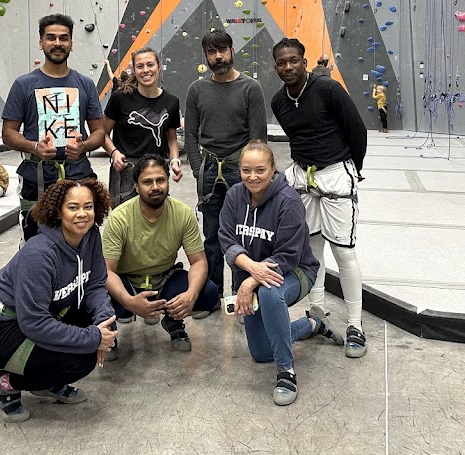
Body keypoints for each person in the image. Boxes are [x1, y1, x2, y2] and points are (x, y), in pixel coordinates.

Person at [0, 178, 117, 423]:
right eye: (73, 207)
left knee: (95, 326)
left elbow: (95, 285)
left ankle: (46, 381)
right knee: (82, 358)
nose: (82, 214)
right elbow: (34, 323)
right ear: (58, 212)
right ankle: (7, 383)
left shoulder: (90, 236)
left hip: (35, 318)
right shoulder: (39, 254)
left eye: (88, 206)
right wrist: (93, 338)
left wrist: (104, 325)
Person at [219, 141, 342, 406]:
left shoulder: (289, 201)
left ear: (273, 168)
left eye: (260, 170)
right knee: (262, 352)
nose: (253, 177)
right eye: (246, 170)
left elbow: (288, 254)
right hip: (254, 274)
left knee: (270, 292)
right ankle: (312, 324)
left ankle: (286, 371)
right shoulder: (234, 196)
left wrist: (250, 282)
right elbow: (226, 238)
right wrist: (252, 271)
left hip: (296, 271)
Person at [271, 37, 369, 358]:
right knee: (312, 250)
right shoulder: (279, 101)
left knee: (344, 252)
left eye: (293, 61)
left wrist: (352, 168)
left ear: (304, 61)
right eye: (281, 63)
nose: (288, 67)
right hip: (303, 178)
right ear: (276, 67)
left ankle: (355, 324)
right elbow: (297, 138)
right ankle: (317, 311)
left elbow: (357, 130)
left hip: (336, 174)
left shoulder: (328, 89)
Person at [2, 14, 104, 246]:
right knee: (37, 243)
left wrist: (84, 147)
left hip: (78, 174)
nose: (58, 43)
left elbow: (99, 132)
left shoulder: (85, 84)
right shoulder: (24, 85)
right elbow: (8, 133)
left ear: (71, 43)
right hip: (37, 178)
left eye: (63, 38)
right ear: (41, 43)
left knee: (83, 240)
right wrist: (34, 147)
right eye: (51, 38)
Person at [101, 155, 218, 357]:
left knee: (208, 292)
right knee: (96, 292)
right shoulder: (119, 218)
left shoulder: (182, 213)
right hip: (127, 282)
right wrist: (129, 301)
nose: (155, 187)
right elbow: (107, 271)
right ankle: (109, 334)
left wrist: (190, 295)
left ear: (168, 181)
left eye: (160, 180)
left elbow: (199, 261)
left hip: (163, 281)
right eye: (147, 182)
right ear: (136, 186)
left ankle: (173, 320)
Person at [185, 29, 267, 314]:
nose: (218, 57)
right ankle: (212, 295)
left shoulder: (250, 88)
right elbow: (190, 135)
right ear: (206, 56)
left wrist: (251, 175)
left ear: (232, 51)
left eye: (222, 50)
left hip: (240, 171)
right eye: (212, 52)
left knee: (243, 235)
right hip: (209, 171)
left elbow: (258, 139)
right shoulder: (197, 90)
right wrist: (198, 169)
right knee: (211, 236)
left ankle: (241, 298)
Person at [102, 48, 182, 206]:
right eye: (140, 66)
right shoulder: (120, 98)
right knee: (124, 217)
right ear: (134, 70)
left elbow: (172, 139)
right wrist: (114, 153)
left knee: (156, 216)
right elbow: (102, 134)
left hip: (156, 169)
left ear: (159, 67)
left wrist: (174, 160)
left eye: (150, 64)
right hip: (125, 168)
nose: (146, 70)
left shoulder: (171, 101)